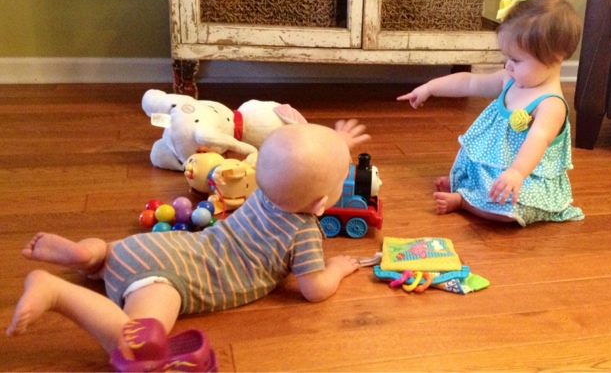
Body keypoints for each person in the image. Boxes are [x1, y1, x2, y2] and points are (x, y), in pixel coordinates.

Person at [6, 120, 371, 358]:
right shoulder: (303, 232)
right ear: (320, 203)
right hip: (165, 279)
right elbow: (313, 289)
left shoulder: (263, 192)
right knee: (138, 342)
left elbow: (293, 164)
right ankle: (55, 291)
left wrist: (335, 143)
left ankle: (86, 255)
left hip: (152, 247)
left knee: (107, 255)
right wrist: (337, 268)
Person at [397, 0, 584, 226]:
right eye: (508, 58)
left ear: (554, 57)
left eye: (517, 60)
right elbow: (470, 83)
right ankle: (468, 187)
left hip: (525, 175)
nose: (508, 65)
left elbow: (537, 140)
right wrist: (430, 88)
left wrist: (516, 173)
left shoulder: (551, 105)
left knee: (509, 207)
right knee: (478, 168)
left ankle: (464, 201)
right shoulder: (509, 80)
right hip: (496, 165)